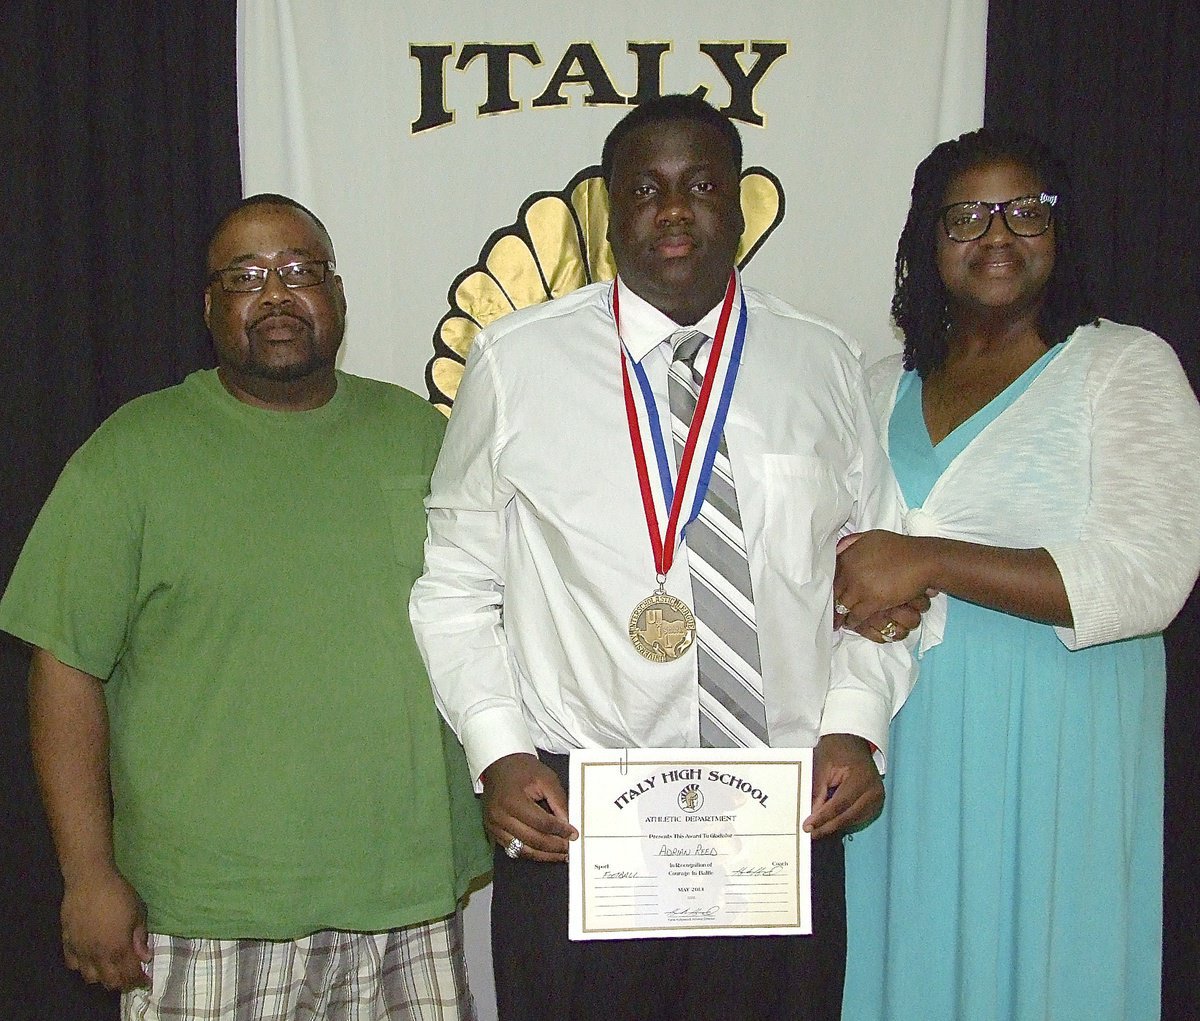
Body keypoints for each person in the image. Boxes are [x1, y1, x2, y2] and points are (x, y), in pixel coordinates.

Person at [409, 94, 916, 1021]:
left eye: (701, 186)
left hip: (782, 809)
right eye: (644, 188)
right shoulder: (517, 364)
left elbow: (883, 578)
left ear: (739, 206)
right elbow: (452, 586)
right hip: (578, 812)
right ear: (609, 211)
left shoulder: (824, 364)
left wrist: (858, 720)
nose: (674, 210)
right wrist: (498, 751)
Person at [0, 194, 491, 1021]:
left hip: (403, 898)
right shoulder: (132, 453)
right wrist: (87, 874)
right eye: (246, 276)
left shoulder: (417, 434)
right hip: (207, 911)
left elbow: (485, 616)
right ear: (209, 305)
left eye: (300, 272)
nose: (276, 294)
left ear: (336, 296)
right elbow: (63, 665)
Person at [838, 129, 1200, 1020]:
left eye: (1025, 210)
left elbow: (1149, 576)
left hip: (1057, 747)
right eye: (967, 215)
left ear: (1060, 232)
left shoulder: (1123, 366)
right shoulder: (876, 384)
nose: (997, 234)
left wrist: (926, 558)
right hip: (900, 746)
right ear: (926, 241)